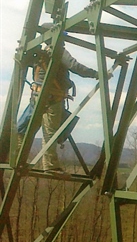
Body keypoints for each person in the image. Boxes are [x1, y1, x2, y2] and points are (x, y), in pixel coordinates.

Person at [17, 43, 98, 174]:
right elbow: (75, 66)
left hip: (36, 97)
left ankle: (17, 159)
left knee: (25, 128)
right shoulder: (58, 51)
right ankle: (50, 166)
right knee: (50, 132)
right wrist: (96, 74)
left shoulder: (38, 54)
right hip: (52, 99)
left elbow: (23, 63)